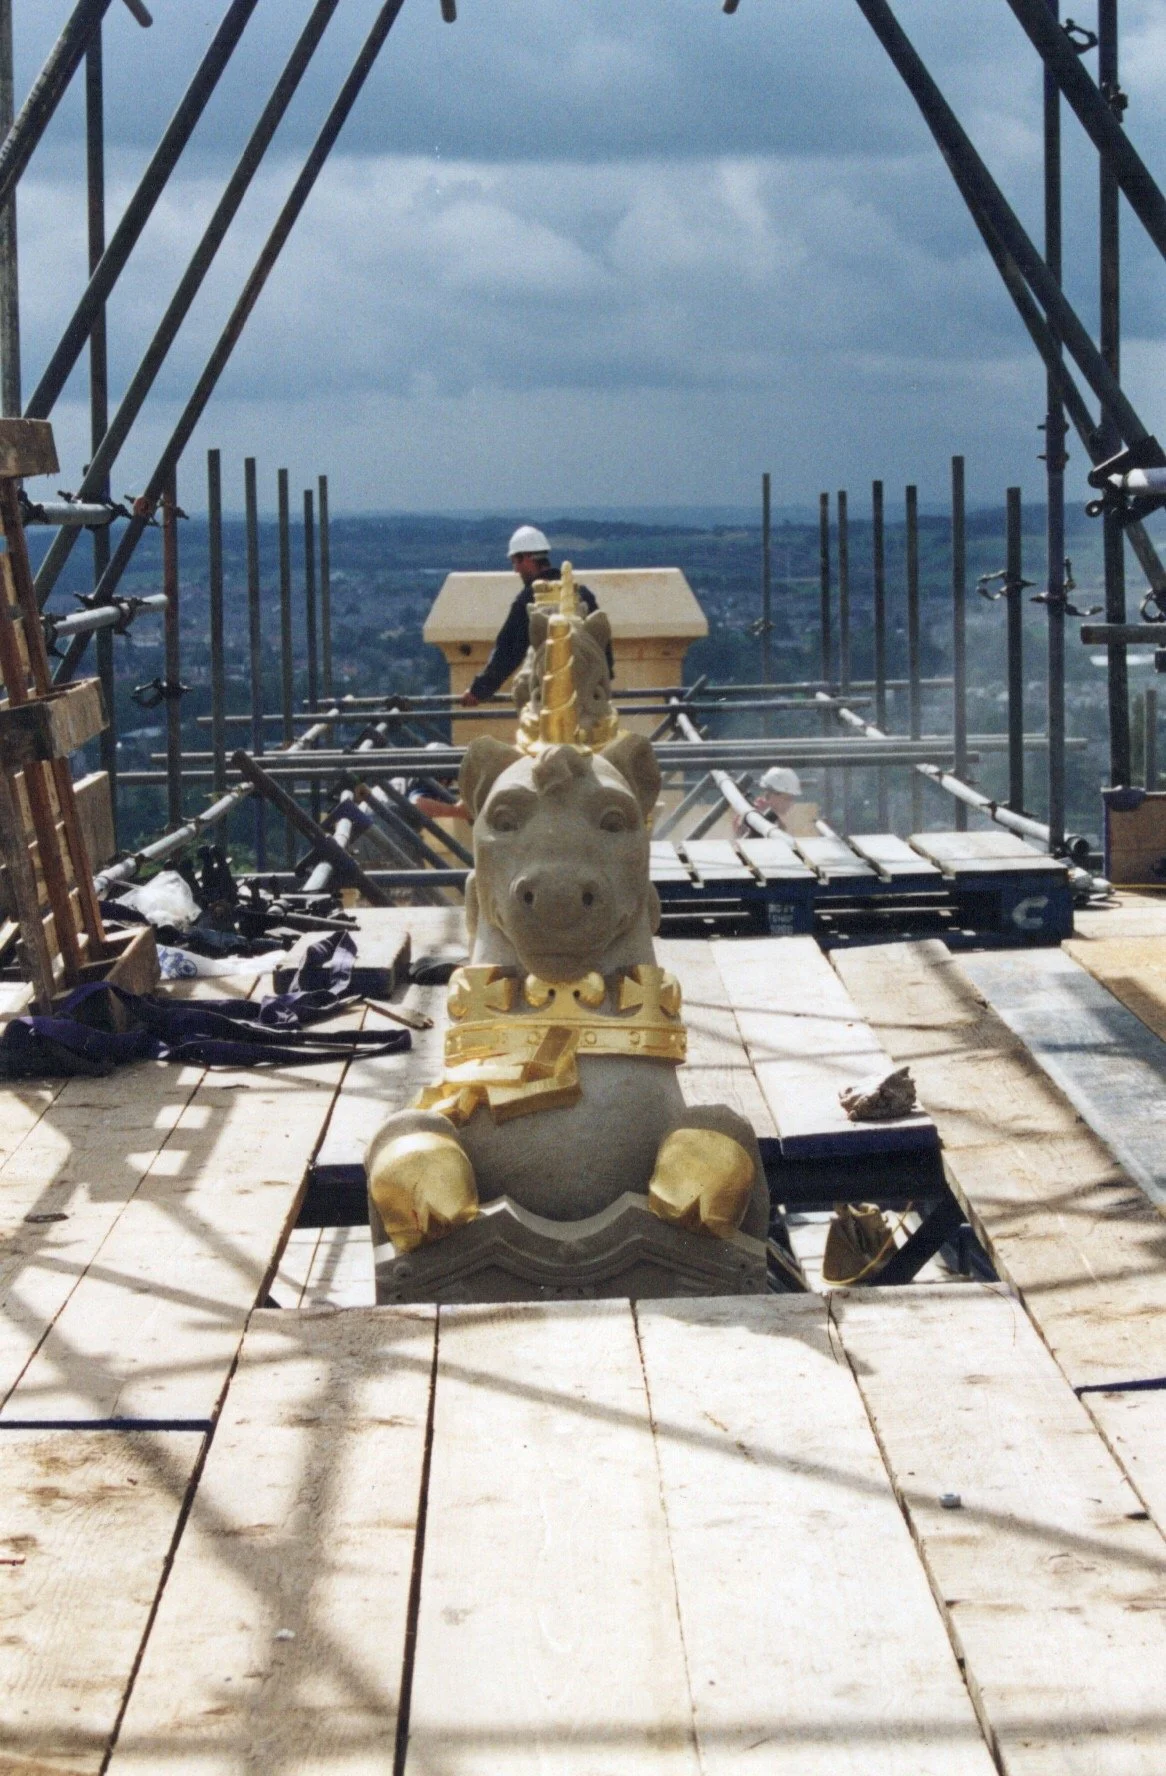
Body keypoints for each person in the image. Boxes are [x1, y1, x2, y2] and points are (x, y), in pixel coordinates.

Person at [459, 524, 608, 706]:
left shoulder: (529, 600)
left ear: (528, 558)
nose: (516, 569)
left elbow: (508, 651)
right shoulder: (581, 593)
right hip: (588, 691)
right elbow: (601, 643)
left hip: (548, 693)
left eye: (516, 561)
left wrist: (479, 690)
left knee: (523, 689)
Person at [733, 766, 814, 837]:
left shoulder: (775, 819)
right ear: (772, 794)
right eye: (787, 799)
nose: (790, 804)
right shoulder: (752, 814)